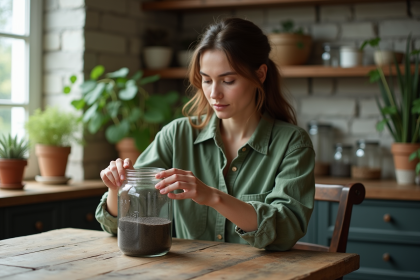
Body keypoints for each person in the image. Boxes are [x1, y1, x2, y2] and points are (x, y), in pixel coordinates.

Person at [95, 17, 315, 251]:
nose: (214, 94)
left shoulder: (293, 143)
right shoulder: (176, 135)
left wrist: (213, 197)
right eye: (207, 80)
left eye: (228, 80)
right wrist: (116, 187)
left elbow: (286, 230)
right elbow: (118, 223)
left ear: (260, 74)